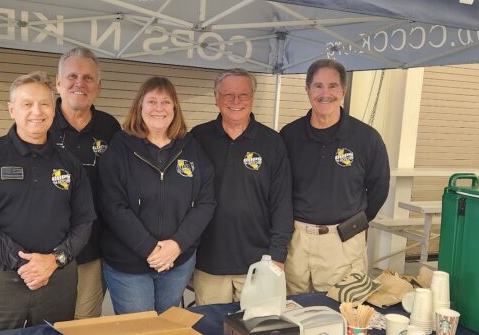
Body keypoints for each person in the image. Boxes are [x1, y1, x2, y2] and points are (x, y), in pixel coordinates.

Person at [0, 47, 120, 319]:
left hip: (84, 249)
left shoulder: (110, 128)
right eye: (72, 76)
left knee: (73, 330)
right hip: (6, 266)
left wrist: (55, 259)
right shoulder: (31, 129)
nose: (79, 83)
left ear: (98, 86)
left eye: (88, 78)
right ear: (58, 83)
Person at [97, 76, 216, 314]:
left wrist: (177, 244)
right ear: (139, 107)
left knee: (166, 327)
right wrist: (150, 249)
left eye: (166, 102)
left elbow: (206, 202)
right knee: (140, 330)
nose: (159, 108)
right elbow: (112, 205)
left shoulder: (191, 148)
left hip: (177, 262)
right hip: (129, 264)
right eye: (151, 101)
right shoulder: (120, 148)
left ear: (175, 108)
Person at [279, 59, 390, 294]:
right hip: (297, 242)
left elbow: (379, 188)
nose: (325, 94)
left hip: (343, 243)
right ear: (307, 89)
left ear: (343, 91)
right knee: (293, 308)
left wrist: (354, 225)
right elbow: (279, 189)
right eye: (318, 86)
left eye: (332, 86)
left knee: (343, 309)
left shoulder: (366, 138)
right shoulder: (289, 135)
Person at [190, 69, 293, 305]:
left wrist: (278, 254)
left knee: (256, 326)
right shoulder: (198, 138)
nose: (236, 101)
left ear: (252, 98)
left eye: (243, 95)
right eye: (228, 95)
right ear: (216, 98)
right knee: (211, 326)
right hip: (209, 262)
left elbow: (282, 202)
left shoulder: (272, 142)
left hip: (259, 263)